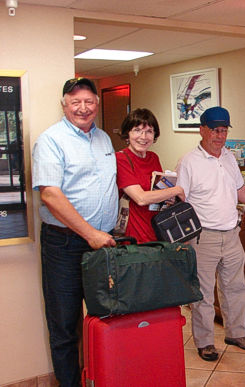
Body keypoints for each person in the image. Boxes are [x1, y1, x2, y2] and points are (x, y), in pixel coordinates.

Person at [32, 78, 118, 387]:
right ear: (64, 105)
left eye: (89, 101)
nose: (83, 108)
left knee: (106, 321)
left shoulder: (105, 139)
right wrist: (89, 233)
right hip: (64, 245)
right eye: (75, 102)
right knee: (65, 326)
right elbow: (50, 195)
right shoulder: (51, 140)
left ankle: (102, 379)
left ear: (97, 102)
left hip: (103, 245)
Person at [176, 106, 245, 361]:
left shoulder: (229, 158)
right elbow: (180, 200)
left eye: (223, 130)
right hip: (203, 237)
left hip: (231, 233)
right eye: (214, 130)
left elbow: (241, 190)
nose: (219, 136)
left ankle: (236, 333)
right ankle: (205, 342)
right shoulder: (189, 162)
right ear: (202, 130)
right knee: (203, 294)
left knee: (236, 288)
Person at [116, 108, 185, 243]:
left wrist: (169, 198)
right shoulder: (121, 159)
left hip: (157, 229)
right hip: (134, 235)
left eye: (149, 131)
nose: (143, 137)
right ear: (127, 134)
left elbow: (157, 192)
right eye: (137, 130)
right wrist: (177, 190)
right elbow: (141, 198)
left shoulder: (153, 158)